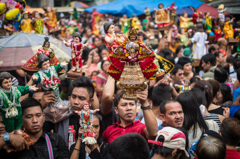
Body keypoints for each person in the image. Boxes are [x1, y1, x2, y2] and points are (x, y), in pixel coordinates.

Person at [1, 97, 69, 159]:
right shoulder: (15, 142)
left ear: (43, 117)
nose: (35, 120)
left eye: (38, 115)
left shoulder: (56, 140)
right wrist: (7, 138)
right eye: (29, 117)